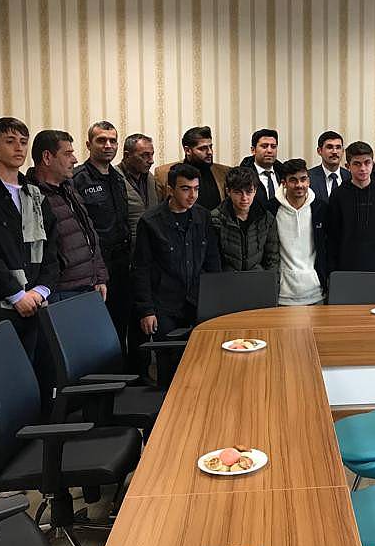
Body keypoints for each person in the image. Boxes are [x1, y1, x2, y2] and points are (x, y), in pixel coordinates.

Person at [0, 116, 58, 370]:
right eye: (10, 141)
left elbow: (51, 248)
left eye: (23, 142)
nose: (19, 148)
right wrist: (15, 294)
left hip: (35, 301)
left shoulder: (34, 193)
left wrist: (41, 290)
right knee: (0, 373)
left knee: (32, 371)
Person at [132, 163, 221, 384]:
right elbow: (141, 268)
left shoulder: (203, 216)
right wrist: (146, 310)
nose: (192, 195)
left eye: (196, 189)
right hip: (164, 304)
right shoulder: (150, 221)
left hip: (197, 301)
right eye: (185, 189)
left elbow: (212, 262)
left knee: (201, 360)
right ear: (171, 190)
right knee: (168, 362)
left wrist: (215, 302)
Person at [28, 131, 108, 304]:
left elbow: (89, 233)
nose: (75, 160)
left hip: (88, 285)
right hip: (59, 291)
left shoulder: (69, 188)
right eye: (67, 154)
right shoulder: (31, 196)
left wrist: (99, 276)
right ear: (47, 157)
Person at [72, 121, 131, 349]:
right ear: (89, 144)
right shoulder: (78, 179)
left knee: (120, 325)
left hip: (122, 264)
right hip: (96, 266)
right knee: (98, 331)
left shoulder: (118, 178)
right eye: (101, 140)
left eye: (112, 141)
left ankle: (122, 367)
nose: (108, 145)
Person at [325, 141, 375, 275]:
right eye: (357, 164)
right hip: (347, 268)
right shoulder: (338, 195)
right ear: (348, 166)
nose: (363, 168)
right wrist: (332, 270)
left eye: (367, 163)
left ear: (373, 164)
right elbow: (333, 237)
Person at [269, 159, 326, 305]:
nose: (299, 185)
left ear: (309, 181)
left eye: (303, 179)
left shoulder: (320, 209)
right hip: (282, 294)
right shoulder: (271, 209)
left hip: (316, 292)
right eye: (293, 180)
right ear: (284, 183)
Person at [212, 166, 280, 272]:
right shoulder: (215, 219)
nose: (244, 198)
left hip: (257, 277)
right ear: (228, 191)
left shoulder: (267, 219)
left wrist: (270, 281)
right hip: (227, 278)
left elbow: (272, 258)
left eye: (249, 192)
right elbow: (213, 259)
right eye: (238, 192)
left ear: (255, 191)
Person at [153, 126, 230, 212]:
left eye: (210, 147)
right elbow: (157, 209)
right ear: (187, 150)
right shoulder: (164, 173)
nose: (210, 152)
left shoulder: (224, 172)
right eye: (202, 148)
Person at [118, 132, 160, 241]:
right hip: (126, 245)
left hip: (152, 242)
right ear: (127, 155)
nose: (151, 161)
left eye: (152, 154)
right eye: (144, 155)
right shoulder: (114, 178)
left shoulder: (151, 178)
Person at [239, 128, 283, 208]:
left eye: (273, 147)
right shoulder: (242, 176)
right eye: (264, 146)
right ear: (253, 150)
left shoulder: (284, 173)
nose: (269, 150)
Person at [309, 130, 350, 204]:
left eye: (338, 147)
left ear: (343, 151)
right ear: (319, 151)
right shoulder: (309, 177)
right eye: (329, 147)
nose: (334, 152)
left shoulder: (350, 176)